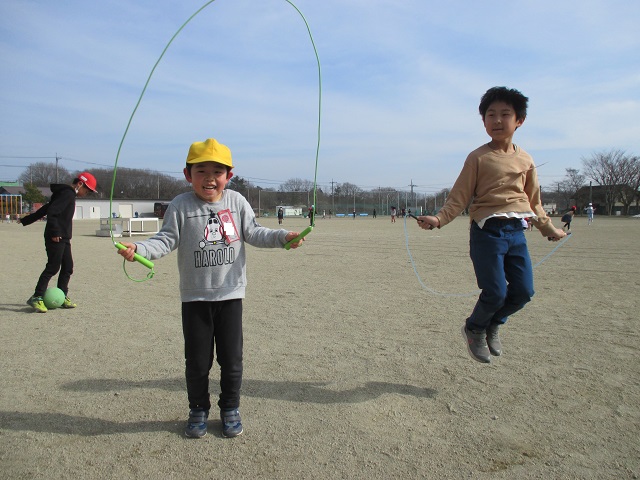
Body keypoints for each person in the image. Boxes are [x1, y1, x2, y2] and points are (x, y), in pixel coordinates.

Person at [117, 138, 304, 439]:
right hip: (195, 298)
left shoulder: (236, 202)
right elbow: (164, 240)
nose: (209, 178)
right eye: (201, 171)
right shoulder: (180, 205)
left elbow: (254, 232)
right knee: (197, 362)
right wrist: (139, 248)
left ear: (229, 175)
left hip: (230, 296)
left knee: (232, 360)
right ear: (187, 174)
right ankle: (198, 409)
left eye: (217, 172)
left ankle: (230, 408)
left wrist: (283, 237)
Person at [415, 87, 565, 364]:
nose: (497, 120)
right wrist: (439, 219)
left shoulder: (526, 159)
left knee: (524, 292)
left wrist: (549, 229)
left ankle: (493, 324)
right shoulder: (478, 157)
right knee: (495, 292)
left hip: (516, 233)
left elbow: (534, 202)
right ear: (483, 121)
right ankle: (474, 328)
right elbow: (459, 196)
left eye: (505, 114)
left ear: (519, 120)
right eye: (490, 115)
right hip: (487, 233)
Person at [19, 172, 98, 313]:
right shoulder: (67, 193)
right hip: (55, 236)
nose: (86, 194)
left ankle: (62, 295)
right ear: (80, 184)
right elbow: (53, 212)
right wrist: (55, 232)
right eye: (87, 191)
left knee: (68, 267)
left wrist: (26, 219)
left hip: (64, 237)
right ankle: (37, 296)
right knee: (53, 267)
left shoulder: (66, 194)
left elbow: (46, 208)